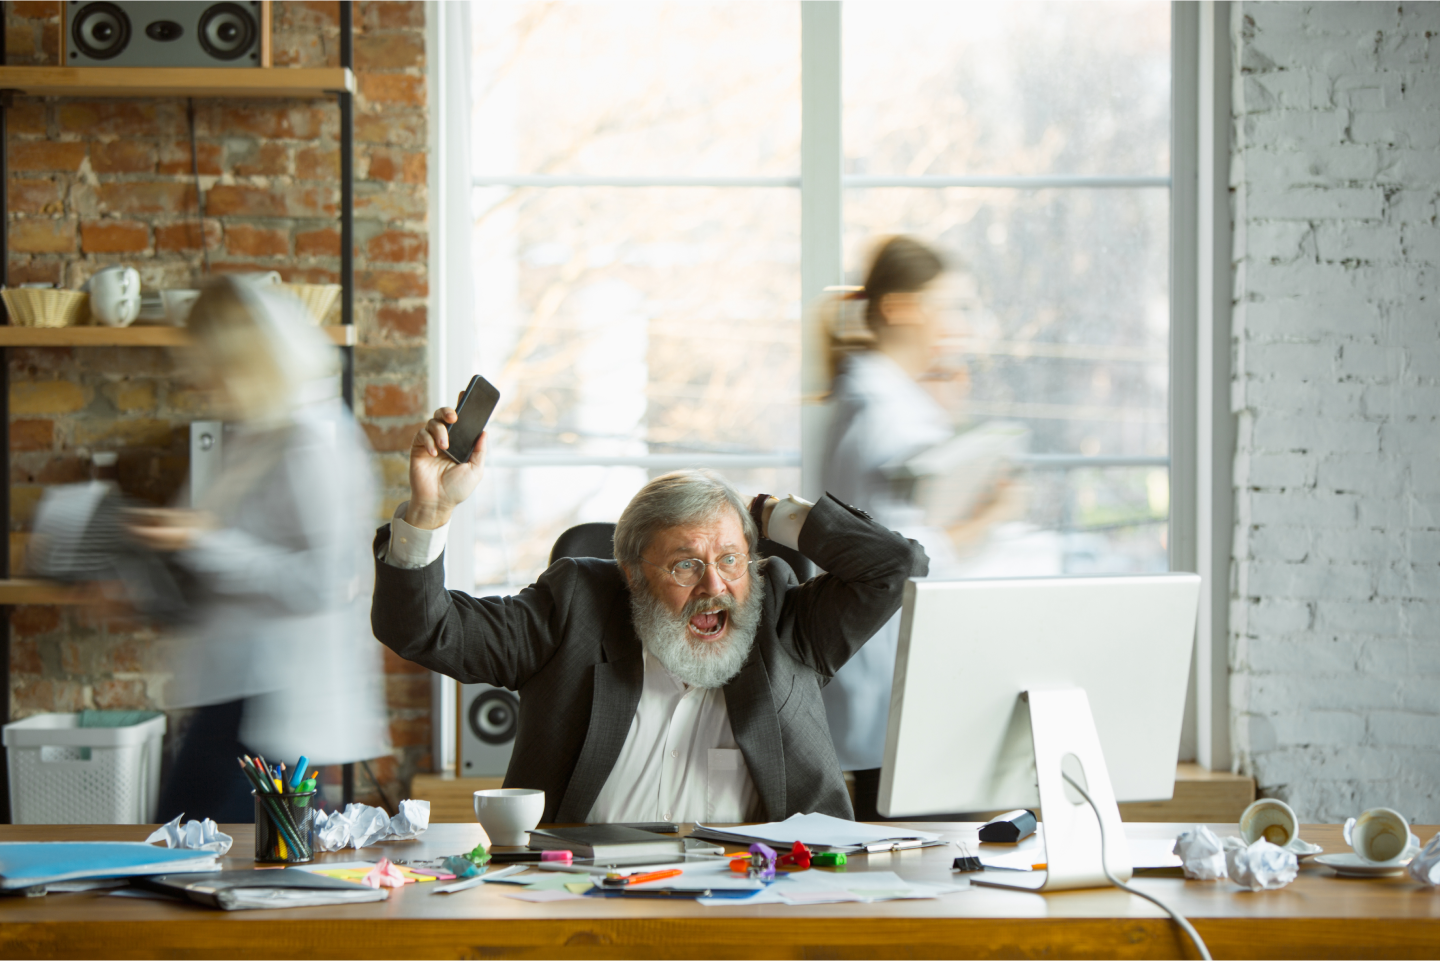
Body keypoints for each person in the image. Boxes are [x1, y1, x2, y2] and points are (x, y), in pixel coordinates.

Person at [371, 407, 930, 823]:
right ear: (634, 572)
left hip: (760, 906)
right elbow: (423, 627)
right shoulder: (575, 608)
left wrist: (771, 513)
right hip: (587, 908)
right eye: (686, 565)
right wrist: (429, 510)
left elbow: (894, 566)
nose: (716, 587)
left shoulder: (783, 615)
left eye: (731, 559)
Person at [136, 276, 389, 823]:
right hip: (236, 690)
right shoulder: (252, 434)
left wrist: (200, 540)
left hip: (273, 700)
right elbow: (221, 556)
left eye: (209, 361)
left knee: (199, 862)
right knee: (212, 864)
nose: (197, 376)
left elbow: (328, 581)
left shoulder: (308, 441)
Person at [820, 235, 960, 820]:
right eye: (948, 307)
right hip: (890, 688)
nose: (954, 326)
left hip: (895, 685)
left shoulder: (887, 402)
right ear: (903, 308)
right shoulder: (881, 415)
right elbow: (909, 560)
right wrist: (980, 522)